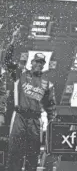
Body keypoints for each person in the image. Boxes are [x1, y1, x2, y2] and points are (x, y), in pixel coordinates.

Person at [4, 26, 56, 171]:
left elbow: (51, 107)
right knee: (15, 153)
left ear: (44, 66)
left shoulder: (47, 84)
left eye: (41, 63)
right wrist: (13, 41)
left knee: (32, 155)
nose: (38, 64)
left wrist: (53, 123)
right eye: (36, 61)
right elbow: (7, 61)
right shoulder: (20, 74)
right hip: (19, 116)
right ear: (31, 62)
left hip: (35, 120)